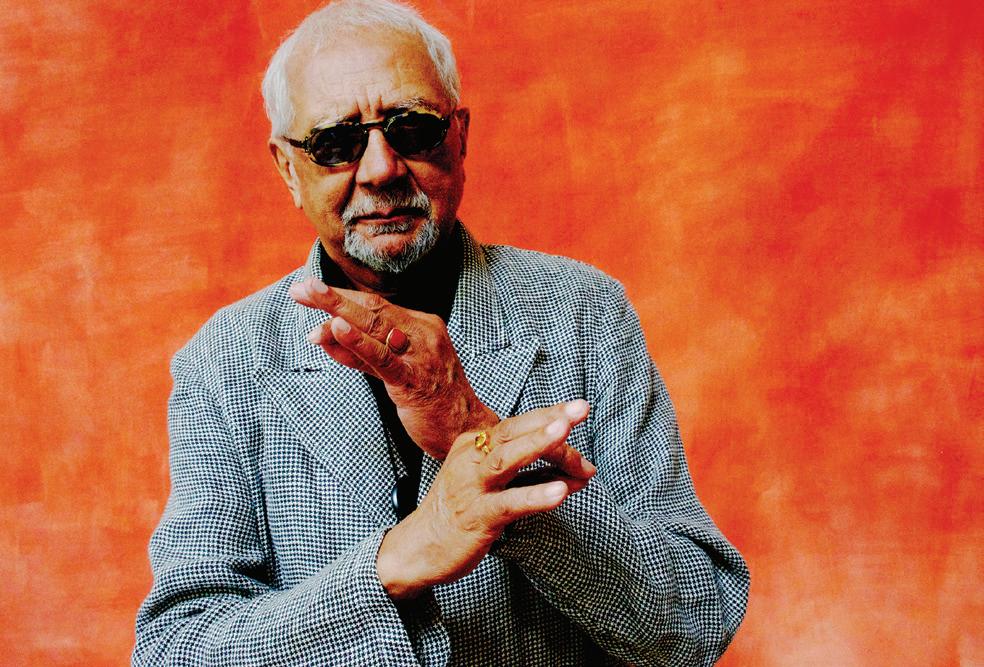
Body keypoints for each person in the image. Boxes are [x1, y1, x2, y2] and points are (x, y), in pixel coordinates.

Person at [133, 0, 750, 664]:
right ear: (288, 167)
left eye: (413, 129)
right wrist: (394, 563)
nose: (381, 169)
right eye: (337, 144)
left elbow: (697, 623)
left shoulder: (585, 314)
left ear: (460, 137)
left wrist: (478, 437)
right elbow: (175, 648)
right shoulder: (222, 361)